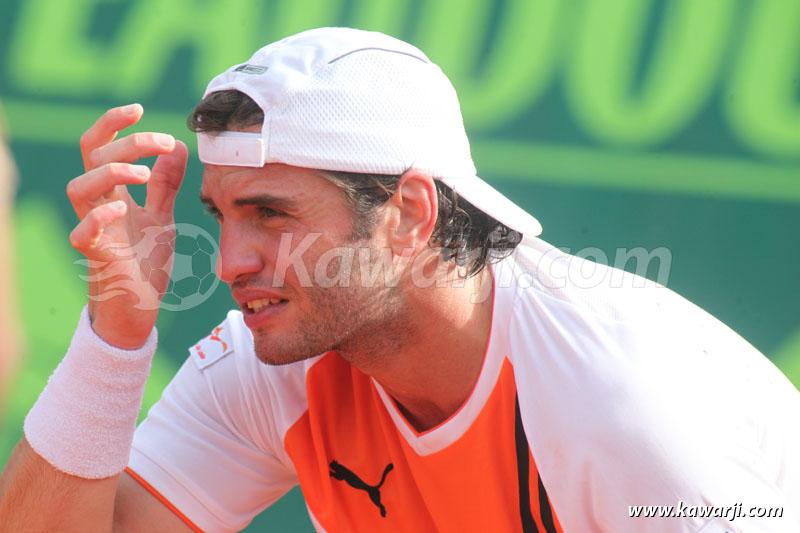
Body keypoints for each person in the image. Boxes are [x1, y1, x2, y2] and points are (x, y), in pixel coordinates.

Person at [1, 27, 798, 533]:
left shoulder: (619, 405)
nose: (232, 261)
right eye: (221, 216)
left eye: (272, 213)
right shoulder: (269, 357)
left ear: (411, 212)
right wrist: (117, 335)